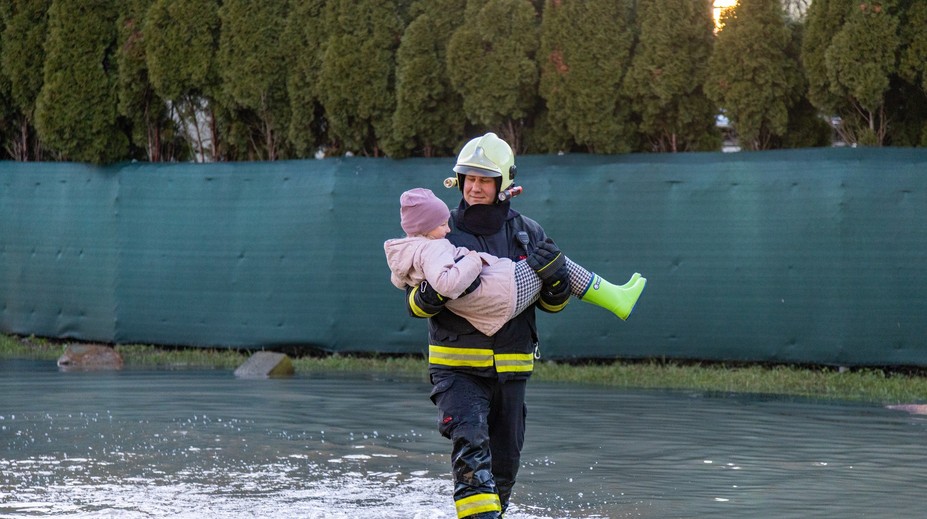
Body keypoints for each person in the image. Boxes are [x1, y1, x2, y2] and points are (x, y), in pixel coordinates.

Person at [402, 133, 643, 519]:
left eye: (485, 180)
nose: (475, 188)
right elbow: (414, 304)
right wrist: (432, 295)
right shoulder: (441, 230)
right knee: (470, 449)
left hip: (512, 372)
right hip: (457, 372)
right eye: (469, 179)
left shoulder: (528, 232)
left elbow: (551, 305)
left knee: (502, 472)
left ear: (504, 184)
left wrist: (558, 283)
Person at [384, 187, 646, 336]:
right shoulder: (435, 247)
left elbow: (398, 280)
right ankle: (615, 298)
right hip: (500, 296)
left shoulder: (409, 250)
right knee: (556, 263)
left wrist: (557, 288)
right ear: (427, 227)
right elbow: (446, 283)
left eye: (484, 180)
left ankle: (616, 296)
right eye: (442, 225)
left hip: (502, 326)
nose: (448, 229)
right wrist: (473, 261)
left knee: (552, 267)